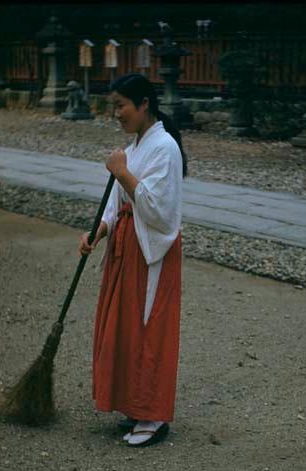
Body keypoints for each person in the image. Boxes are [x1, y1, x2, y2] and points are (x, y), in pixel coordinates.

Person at [78, 73, 187, 447]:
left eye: (121, 105)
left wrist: (122, 172)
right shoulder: (138, 144)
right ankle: (132, 404)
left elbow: (159, 210)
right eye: (114, 106)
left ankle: (153, 414)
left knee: (148, 326)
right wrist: (100, 230)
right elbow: (117, 202)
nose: (117, 113)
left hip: (150, 249)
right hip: (126, 246)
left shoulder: (165, 148)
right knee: (124, 325)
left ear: (144, 104)